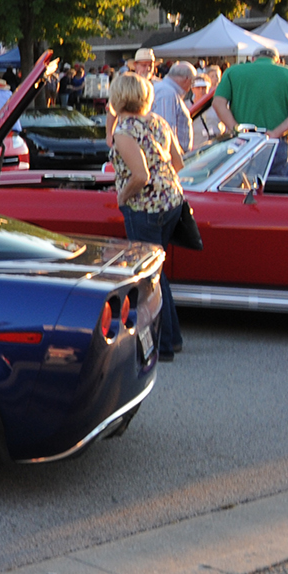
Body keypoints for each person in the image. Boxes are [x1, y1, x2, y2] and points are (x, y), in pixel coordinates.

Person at [108, 72, 186, 361]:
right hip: (171, 201)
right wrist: (163, 187)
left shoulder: (125, 129)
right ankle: (172, 337)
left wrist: (123, 196)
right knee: (159, 273)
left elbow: (139, 175)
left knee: (151, 277)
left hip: (144, 207)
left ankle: (163, 343)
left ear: (118, 96)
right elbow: (178, 161)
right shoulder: (157, 122)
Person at [213, 47, 288, 173]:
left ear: (253, 59)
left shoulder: (233, 72)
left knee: (241, 185)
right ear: (277, 61)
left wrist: (237, 129)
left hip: (242, 141)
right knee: (275, 187)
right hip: (276, 143)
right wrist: (276, 132)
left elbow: (218, 103)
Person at [149, 61, 196, 150]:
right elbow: (166, 131)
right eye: (192, 81)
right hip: (171, 158)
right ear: (187, 79)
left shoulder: (166, 90)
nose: (191, 86)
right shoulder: (167, 94)